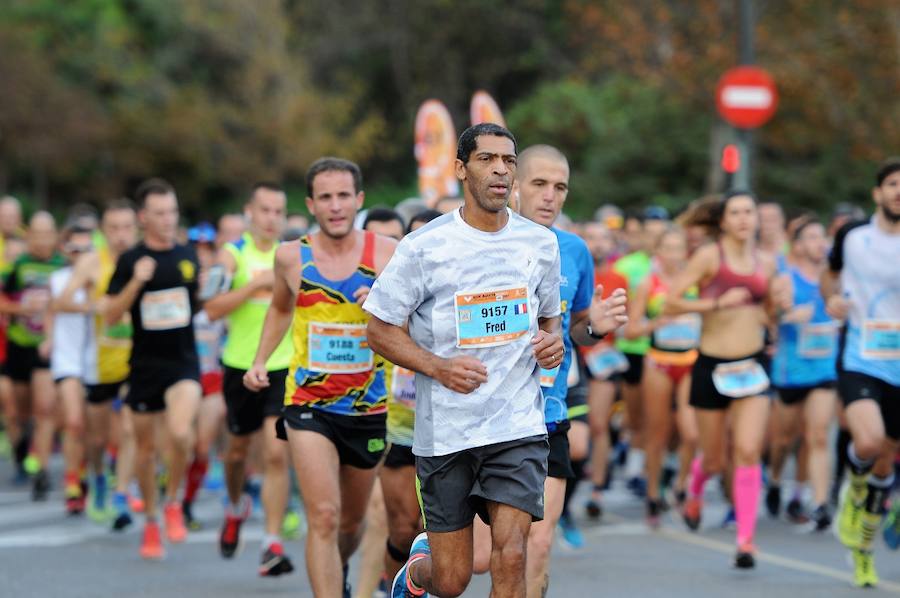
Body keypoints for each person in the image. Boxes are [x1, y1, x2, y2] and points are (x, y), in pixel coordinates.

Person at [363, 123, 564, 598]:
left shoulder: (540, 244)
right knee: (451, 581)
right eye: (487, 159)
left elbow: (550, 323)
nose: (500, 169)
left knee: (512, 554)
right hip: (447, 432)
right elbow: (378, 329)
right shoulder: (424, 247)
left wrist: (551, 343)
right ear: (460, 169)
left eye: (508, 161)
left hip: (518, 425)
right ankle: (415, 576)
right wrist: (437, 366)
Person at [470, 144, 627, 597]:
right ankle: (418, 571)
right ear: (514, 184)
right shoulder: (480, 242)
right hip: (481, 416)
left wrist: (594, 324)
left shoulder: (575, 250)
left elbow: (576, 328)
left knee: (537, 544)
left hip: (547, 413)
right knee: (478, 561)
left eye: (560, 188)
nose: (550, 197)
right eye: (539, 184)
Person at [243, 158, 396, 596]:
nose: (335, 206)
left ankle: (336, 572)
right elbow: (278, 307)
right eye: (325, 197)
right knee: (324, 515)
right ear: (311, 204)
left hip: (368, 406)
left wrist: (384, 303)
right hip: (309, 404)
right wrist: (259, 360)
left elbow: (417, 315)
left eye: (343, 196)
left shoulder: (387, 253)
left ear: (359, 200)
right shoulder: (291, 257)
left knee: (350, 522)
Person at [665, 191, 791, 568]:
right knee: (716, 459)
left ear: (756, 218)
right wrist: (715, 303)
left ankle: (746, 542)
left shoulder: (767, 263)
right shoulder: (709, 256)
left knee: (749, 450)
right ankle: (695, 489)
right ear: (723, 221)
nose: (742, 218)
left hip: (751, 366)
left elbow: (769, 314)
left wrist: (778, 309)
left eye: (748, 211)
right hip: (712, 366)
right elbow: (671, 302)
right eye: (735, 212)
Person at [105, 178, 202, 559]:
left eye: (172, 212)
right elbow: (111, 314)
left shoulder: (188, 255)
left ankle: (173, 500)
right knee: (144, 452)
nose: (167, 219)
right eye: (160, 213)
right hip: (144, 366)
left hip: (183, 363)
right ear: (144, 217)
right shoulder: (130, 260)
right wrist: (136, 281)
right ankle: (150, 523)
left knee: (179, 434)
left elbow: (198, 306)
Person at [204, 182, 296, 576]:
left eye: (278, 211)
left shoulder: (291, 255)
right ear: (249, 213)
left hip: (284, 366)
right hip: (240, 366)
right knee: (237, 453)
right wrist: (254, 286)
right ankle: (236, 503)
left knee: (276, 453)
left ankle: (271, 542)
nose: (271, 218)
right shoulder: (232, 255)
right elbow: (210, 308)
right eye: (265, 210)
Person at [826, 158, 900, 588]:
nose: (898, 191)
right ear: (878, 193)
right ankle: (852, 488)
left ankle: (864, 553)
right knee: (869, 441)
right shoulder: (853, 237)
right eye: (892, 184)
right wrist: (833, 299)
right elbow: (829, 277)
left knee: (886, 465)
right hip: (861, 356)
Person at [56, 200, 139, 527]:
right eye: (114, 228)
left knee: (131, 426)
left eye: (127, 228)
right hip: (99, 362)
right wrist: (97, 306)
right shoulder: (93, 261)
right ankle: (99, 479)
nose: (121, 235)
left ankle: (121, 494)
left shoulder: (142, 261)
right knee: (97, 438)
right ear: (104, 232)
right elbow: (62, 301)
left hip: (135, 358)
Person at [623, 227, 700, 527]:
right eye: (667, 248)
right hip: (659, 361)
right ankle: (654, 493)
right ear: (659, 252)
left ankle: (681, 486)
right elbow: (631, 330)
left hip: (691, 360)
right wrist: (657, 323)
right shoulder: (648, 284)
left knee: (691, 433)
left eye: (678, 248)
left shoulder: (695, 281)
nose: (673, 254)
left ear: (685, 252)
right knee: (657, 433)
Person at [767, 215, 838, 531]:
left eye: (821, 236)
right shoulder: (785, 277)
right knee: (783, 439)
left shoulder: (835, 277)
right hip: (791, 370)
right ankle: (776, 479)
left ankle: (818, 502)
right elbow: (771, 316)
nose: (819, 243)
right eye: (810, 237)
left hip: (824, 368)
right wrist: (788, 313)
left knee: (817, 435)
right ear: (797, 245)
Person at [0, 211, 66, 499]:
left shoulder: (63, 267)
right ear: (29, 237)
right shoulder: (18, 267)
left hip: (47, 347)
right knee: (17, 412)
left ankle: (41, 470)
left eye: (46, 233)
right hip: (19, 344)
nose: (41, 239)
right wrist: (20, 310)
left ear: (54, 235)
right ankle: (20, 454)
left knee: (44, 408)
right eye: (36, 234)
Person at [579, 222, 629, 522]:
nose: (597, 244)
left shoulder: (619, 278)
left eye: (603, 239)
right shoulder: (573, 272)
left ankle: (597, 489)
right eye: (591, 237)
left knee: (598, 424)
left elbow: (624, 321)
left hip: (603, 359)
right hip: (571, 356)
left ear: (613, 245)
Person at [181, 223, 227, 532]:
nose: (202, 258)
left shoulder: (223, 288)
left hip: (213, 376)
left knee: (201, 445)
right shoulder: (178, 287)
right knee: (180, 442)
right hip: (181, 376)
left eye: (207, 251)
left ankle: (186, 503)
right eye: (195, 251)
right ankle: (175, 491)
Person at [47, 224, 95, 514]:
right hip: (66, 358)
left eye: (86, 250)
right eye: (75, 249)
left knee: (95, 428)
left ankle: (89, 471)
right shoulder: (58, 279)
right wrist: (48, 339)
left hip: (95, 359)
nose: (80, 256)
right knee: (74, 421)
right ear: (65, 250)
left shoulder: (100, 278)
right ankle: (72, 481)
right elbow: (53, 308)